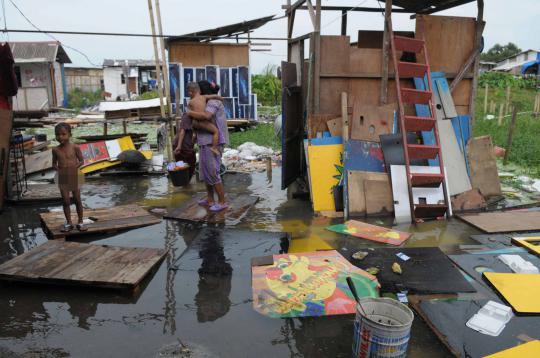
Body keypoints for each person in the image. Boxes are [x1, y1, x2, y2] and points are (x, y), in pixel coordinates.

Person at [188, 80, 229, 212]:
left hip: (212, 142)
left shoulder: (213, 102)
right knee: (205, 172)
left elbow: (207, 116)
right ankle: (210, 199)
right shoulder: (206, 100)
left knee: (212, 171)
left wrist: (189, 113)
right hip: (204, 141)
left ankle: (222, 201)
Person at [52, 123, 86, 232]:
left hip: (74, 175)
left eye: (63, 134)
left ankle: (80, 222)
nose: (60, 137)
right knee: (65, 201)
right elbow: (54, 164)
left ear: (69, 134)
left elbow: (81, 161)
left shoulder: (75, 147)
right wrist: (59, 171)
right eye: (57, 135)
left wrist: (73, 168)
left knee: (77, 199)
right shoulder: (55, 150)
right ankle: (69, 223)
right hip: (63, 176)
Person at [186, 82, 220, 155]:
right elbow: (214, 96)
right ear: (200, 91)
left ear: (190, 93)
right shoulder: (204, 97)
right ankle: (214, 148)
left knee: (195, 131)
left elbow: (189, 113)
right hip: (202, 121)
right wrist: (220, 98)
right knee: (216, 131)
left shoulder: (190, 102)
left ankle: (194, 137)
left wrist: (191, 114)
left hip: (195, 122)